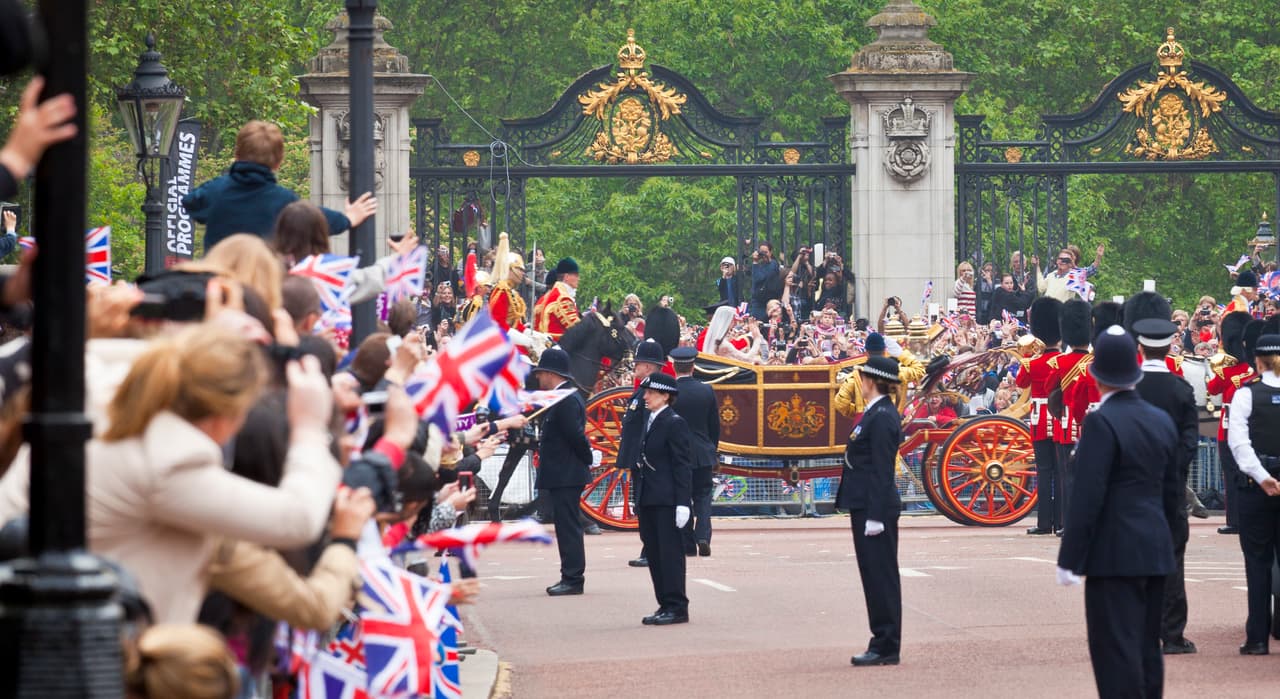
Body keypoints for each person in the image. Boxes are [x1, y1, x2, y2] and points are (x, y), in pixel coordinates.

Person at [1056, 325, 1181, 699]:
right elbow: (1172, 493)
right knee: (1147, 647)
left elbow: (1087, 496)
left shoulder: (1100, 421)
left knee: (1115, 651)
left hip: (1113, 555)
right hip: (1155, 549)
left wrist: (1070, 557)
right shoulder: (1160, 420)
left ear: (1097, 377)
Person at [182, 120, 375, 252]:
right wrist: (348, 219)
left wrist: (223, 181)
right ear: (279, 161)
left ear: (237, 154)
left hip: (219, 289)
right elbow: (316, 220)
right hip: (263, 291)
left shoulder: (216, 191)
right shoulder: (284, 201)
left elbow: (191, 202)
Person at [1131, 318, 1200, 656]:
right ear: (1169, 347)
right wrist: (1174, 469)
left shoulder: (1129, 388)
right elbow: (1190, 440)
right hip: (1171, 485)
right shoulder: (1180, 389)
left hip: (1134, 486)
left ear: (1140, 348)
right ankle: (1172, 635)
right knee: (1173, 560)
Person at [836, 355, 903, 666]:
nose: (859, 382)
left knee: (880, 577)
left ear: (872, 381)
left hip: (874, 506)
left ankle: (886, 644)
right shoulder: (875, 412)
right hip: (865, 503)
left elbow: (881, 470)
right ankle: (881, 640)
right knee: (873, 576)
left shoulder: (883, 416)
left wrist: (875, 515)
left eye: (862, 377)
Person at [1225, 332, 1280, 654]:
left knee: (1257, 562)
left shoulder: (1246, 394)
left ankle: (1257, 638)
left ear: (1258, 361)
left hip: (1256, 486)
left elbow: (1239, 444)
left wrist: (1262, 477)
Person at [633, 373, 694, 625]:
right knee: (655, 555)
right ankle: (664, 603)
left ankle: (677, 606)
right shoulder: (652, 419)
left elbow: (682, 465)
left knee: (669, 556)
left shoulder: (674, 422)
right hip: (650, 497)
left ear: (665, 396)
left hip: (667, 499)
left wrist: (683, 503)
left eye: (650, 392)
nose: (645, 396)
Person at [533, 348, 593, 596]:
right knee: (566, 526)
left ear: (551, 373)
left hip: (566, 472)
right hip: (564, 471)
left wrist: (587, 458)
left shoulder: (566, 399)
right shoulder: (564, 396)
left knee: (568, 528)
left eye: (541, 373)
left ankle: (573, 577)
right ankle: (570, 575)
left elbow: (575, 436)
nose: (538, 377)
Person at [1208, 312, 1257, 535]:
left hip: (1228, 428)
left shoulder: (1226, 370)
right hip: (1254, 427)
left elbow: (1212, 389)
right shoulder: (1256, 369)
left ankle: (1235, 520)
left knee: (1231, 475)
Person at [621, 340, 667, 568]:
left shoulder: (652, 393)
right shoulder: (644, 391)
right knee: (643, 507)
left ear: (648, 367)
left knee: (647, 507)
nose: (635, 367)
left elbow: (649, 428)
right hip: (639, 458)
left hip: (645, 460)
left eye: (638, 363)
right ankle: (649, 549)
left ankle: (651, 551)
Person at [1018, 297, 1062, 535]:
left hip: (1039, 420)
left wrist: (1027, 357)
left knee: (1044, 471)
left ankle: (1044, 522)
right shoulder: (1064, 361)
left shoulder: (1033, 363)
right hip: (1061, 418)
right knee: (1061, 471)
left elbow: (1020, 383)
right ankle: (1061, 521)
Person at [671, 347, 719, 557]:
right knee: (703, 496)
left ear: (674, 367)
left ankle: (687, 542)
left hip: (678, 453)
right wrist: (712, 449)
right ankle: (703, 536)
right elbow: (714, 425)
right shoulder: (706, 390)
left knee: (682, 497)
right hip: (703, 452)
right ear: (693, 367)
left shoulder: (670, 391)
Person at [533, 257, 582, 343]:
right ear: (567, 277)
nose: (579, 279)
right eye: (576, 275)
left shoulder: (556, 293)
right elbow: (576, 327)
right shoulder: (562, 297)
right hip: (558, 345)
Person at [748, 242, 782, 321]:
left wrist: (755, 262)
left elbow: (759, 278)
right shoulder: (760, 265)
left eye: (765, 252)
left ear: (770, 252)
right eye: (761, 252)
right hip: (758, 301)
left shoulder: (773, 264)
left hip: (769, 302)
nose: (763, 255)